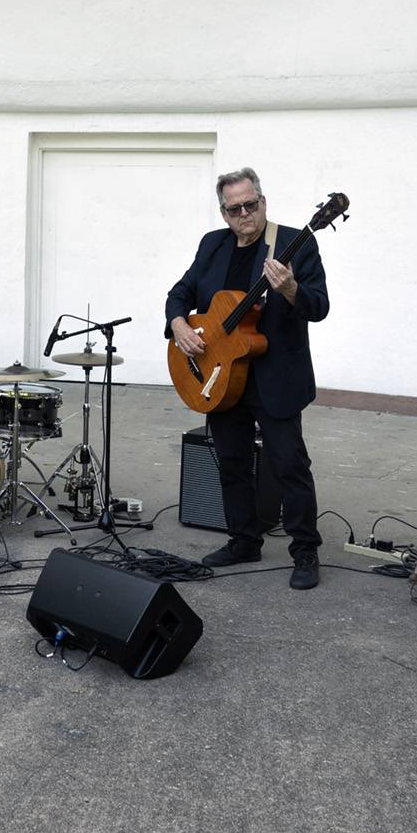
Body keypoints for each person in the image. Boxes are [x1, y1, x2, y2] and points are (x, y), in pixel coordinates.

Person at [166, 167, 330, 590]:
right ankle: (243, 541)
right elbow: (180, 293)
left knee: (290, 466)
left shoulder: (297, 243)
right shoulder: (213, 244)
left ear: (263, 202)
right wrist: (179, 325)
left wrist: (290, 288)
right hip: (222, 374)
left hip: (275, 376)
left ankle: (305, 551)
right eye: (234, 209)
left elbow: (319, 306)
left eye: (250, 205)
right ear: (224, 213)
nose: (244, 215)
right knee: (232, 464)